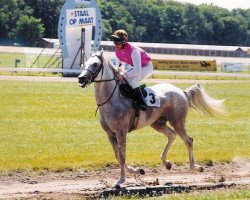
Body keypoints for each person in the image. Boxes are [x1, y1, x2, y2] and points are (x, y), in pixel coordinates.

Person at [111, 29, 153, 111]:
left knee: (131, 80)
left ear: (124, 42)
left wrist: (123, 75)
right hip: (133, 66)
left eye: (118, 43)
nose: (116, 45)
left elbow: (137, 71)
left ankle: (141, 102)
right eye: (115, 43)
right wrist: (119, 72)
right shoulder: (117, 51)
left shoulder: (134, 51)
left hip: (146, 67)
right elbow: (120, 65)